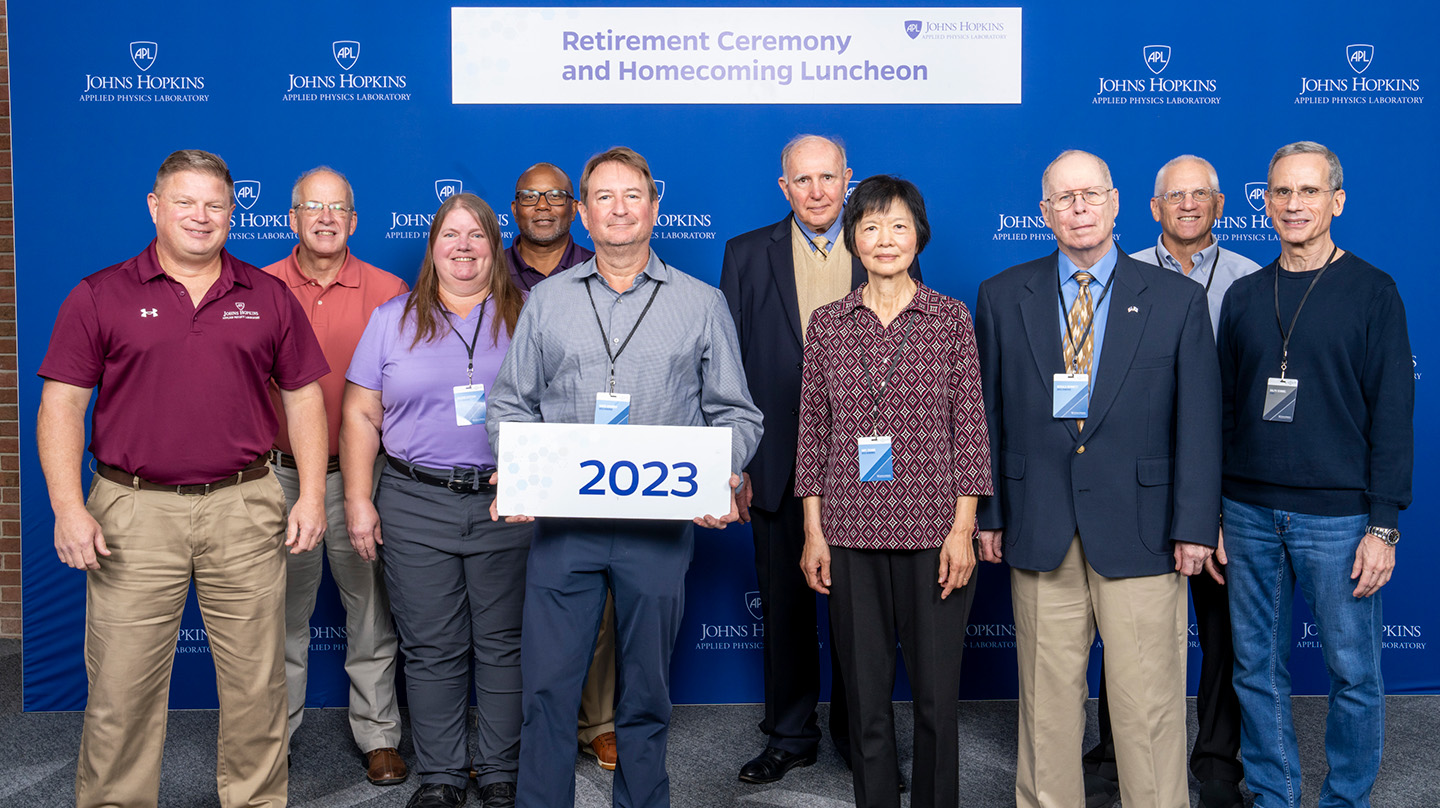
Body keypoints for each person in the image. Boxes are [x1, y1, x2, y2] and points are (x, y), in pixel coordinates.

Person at [37, 149, 330, 808]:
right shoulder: (99, 295)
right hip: (131, 512)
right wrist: (67, 507)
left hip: (246, 503)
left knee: (258, 684)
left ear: (233, 212)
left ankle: (255, 801)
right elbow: (61, 405)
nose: (201, 216)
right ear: (155, 207)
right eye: (186, 202)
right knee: (121, 685)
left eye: (215, 205)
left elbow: (304, 397)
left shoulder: (268, 296)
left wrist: (311, 492)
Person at [487, 146, 764, 808]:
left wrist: (717, 475)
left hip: (660, 530)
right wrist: (518, 473)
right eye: (603, 197)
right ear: (583, 214)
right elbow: (507, 406)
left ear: (653, 207)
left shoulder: (701, 303)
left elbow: (737, 414)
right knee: (549, 692)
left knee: (645, 694)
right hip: (565, 531)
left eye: (632, 195)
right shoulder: (547, 303)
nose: (618, 209)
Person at [974, 149, 1221, 808]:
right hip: (1039, 522)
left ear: (1115, 203)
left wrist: (1196, 524)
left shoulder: (1176, 299)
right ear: (1044, 213)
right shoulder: (1002, 296)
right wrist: (991, 514)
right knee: (1046, 703)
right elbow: (987, 416)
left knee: (1149, 706)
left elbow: (1198, 422)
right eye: (1063, 198)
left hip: (1143, 531)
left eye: (1090, 195)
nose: (1078, 208)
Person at [1216, 141, 1412, 808]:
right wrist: (1213, 513)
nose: (1293, 205)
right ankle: (1274, 797)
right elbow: (1222, 412)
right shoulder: (1243, 297)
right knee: (1256, 671)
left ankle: (1345, 800)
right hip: (1246, 512)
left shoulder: (1374, 292)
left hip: (1341, 519)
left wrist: (1382, 525)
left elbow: (1392, 416)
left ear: (1336, 201)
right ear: (1264, 202)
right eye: (1281, 193)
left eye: (1308, 192)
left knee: (1353, 672)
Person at [720, 134, 921, 784]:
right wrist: (736, 464)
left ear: (848, 179)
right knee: (784, 610)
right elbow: (728, 370)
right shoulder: (746, 255)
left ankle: (860, 735)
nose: (816, 191)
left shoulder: (883, 244)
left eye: (828, 178)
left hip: (870, 469)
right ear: (784, 187)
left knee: (864, 616)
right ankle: (789, 734)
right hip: (777, 463)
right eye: (802, 180)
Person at [795, 175, 991, 808]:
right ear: (853, 237)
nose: (885, 239)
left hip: (934, 535)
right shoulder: (827, 325)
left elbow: (971, 432)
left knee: (936, 698)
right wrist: (813, 531)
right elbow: (813, 434)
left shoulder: (950, 319)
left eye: (898, 226)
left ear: (919, 236)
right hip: (849, 533)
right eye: (871, 226)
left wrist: (964, 531)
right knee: (866, 697)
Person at [341, 193, 529, 808]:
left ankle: (500, 770)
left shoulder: (529, 314)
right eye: (451, 235)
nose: (464, 246)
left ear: (495, 247)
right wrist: (358, 500)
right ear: (433, 247)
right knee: (432, 646)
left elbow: (560, 405)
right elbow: (362, 413)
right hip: (414, 500)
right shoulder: (391, 319)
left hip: (507, 501)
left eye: (477, 235)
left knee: (503, 642)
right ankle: (443, 775)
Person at [1083, 154, 1260, 808]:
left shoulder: (1249, 282)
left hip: (1226, 488)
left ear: (1219, 205)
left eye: (1200, 195)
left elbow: (1241, 403)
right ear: (1151, 208)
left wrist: (1216, 506)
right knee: (1124, 634)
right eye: (1174, 196)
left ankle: (1215, 761)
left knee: (1224, 635)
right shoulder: (1112, 278)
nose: (1187, 204)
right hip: (1133, 488)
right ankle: (1111, 755)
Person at [262, 166, 410, 786]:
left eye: (337, 208)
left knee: (371, 610)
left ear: (354, 220)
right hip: (277, 476)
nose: (325, 218)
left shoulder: (388, 289)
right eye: (311, 207)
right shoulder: (257, 286)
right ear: (291, 217)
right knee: (277, 616)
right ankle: (272, 740)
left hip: (358, 475)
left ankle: (379, 735)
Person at [506, 161, 616, 772]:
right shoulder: (485, 267)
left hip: (588, 462)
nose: (543, 206)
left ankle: (596, 720)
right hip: (514, 453)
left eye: (555, 196)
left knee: (594, 604)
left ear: (575, 207)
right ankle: (517, 729)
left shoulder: (599, 262)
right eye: (530, 197)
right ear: (513, 208)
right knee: (513, 601)